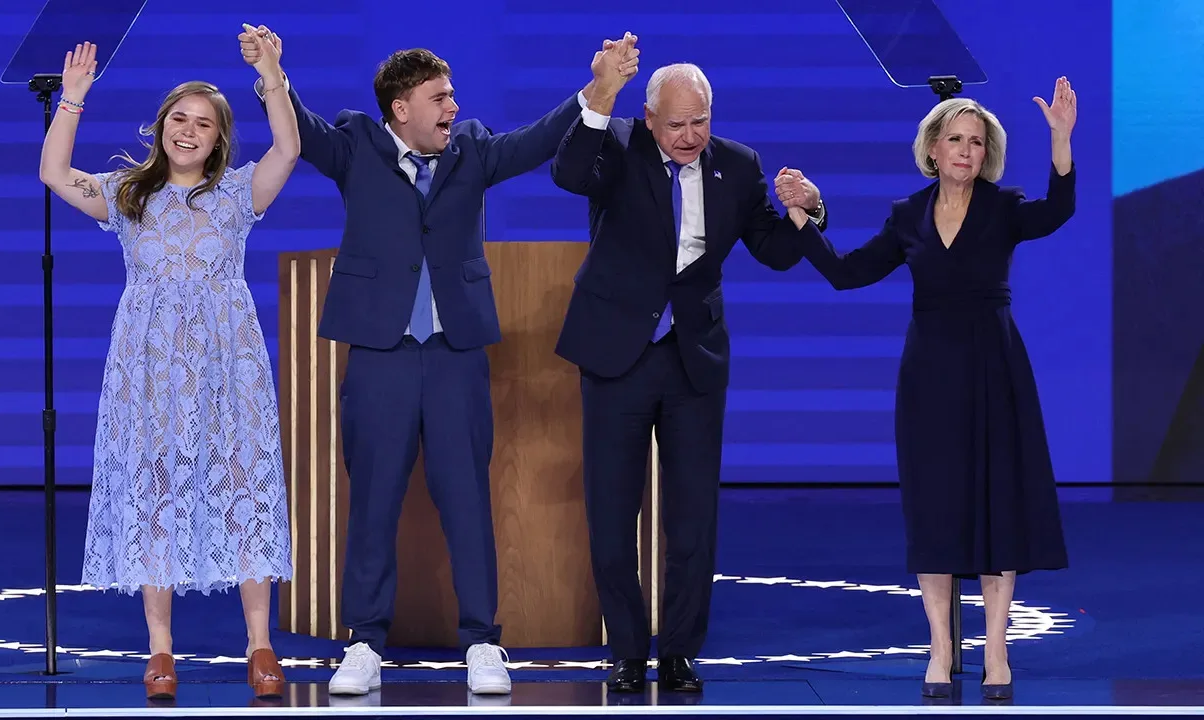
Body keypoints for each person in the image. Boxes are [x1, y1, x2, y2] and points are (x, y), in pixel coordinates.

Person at [241, 27, 639, 696]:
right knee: (372, 503)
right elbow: (300, 130)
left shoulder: (473, 150)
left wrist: (599, 90)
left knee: (467, 501)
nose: (452, 107)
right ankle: (364, 641)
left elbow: (539, 141)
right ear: (401, 108)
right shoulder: (357, 145)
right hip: (380, 357)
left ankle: (483, 641)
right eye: (440, 97)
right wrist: (272, 73)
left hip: (455, 357)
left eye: (453, 96)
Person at [783, 77, 1077, 701]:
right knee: (936, 508)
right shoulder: (906, 216)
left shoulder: (1003, 208)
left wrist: (1060, 139)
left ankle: (995, 648)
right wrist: (804, 219)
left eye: (977, 141)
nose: (966, 151)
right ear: (934, 149)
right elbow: (847, 273)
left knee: (997, 505)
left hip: (994, 368)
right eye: (956, 140)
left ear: (985, 153)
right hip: (930, 377)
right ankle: (941, 649)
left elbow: (1058, 211)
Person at [549, 60, 827, 693]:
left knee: (693, 515)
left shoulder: (738, 164)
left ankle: (677, 650)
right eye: (677, 124)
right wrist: (599, 96)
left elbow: (777, 253)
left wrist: (809, 209)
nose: (690, 135)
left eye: (700, 121)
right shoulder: (617, 144)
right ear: (650, 119)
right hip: (618, 350)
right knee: (613, 509)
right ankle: (624, 649)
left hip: (692, 356)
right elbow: (567, 173)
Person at [39, 30, 299, 701]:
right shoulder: (128, 194)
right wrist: (72, 101)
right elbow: (53, 175)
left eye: (204, 123)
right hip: (149, 371)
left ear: (219, 139)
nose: (189, 131)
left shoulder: (240, 196)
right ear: (161, 129)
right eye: (179, 119)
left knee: (242, 484)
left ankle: (260, 645)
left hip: (228, 368)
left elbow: (290, 148)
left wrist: (270, 72)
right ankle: (160, 651)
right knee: (155, 492)